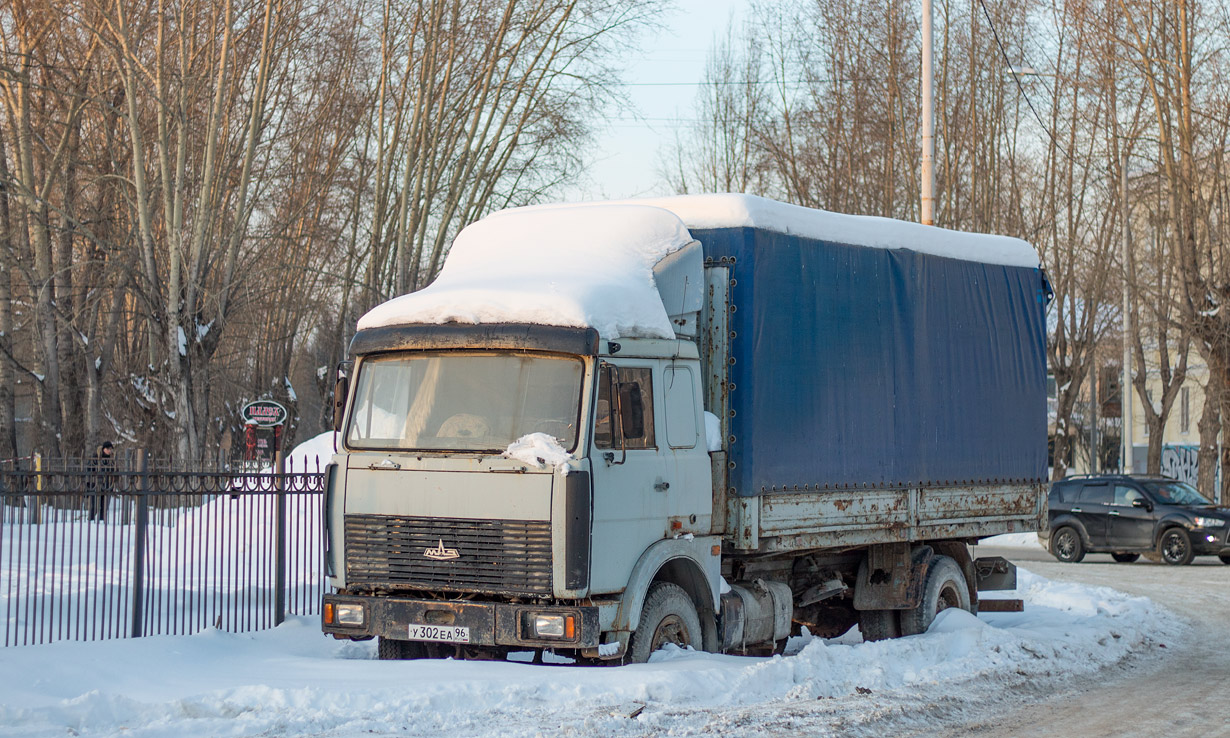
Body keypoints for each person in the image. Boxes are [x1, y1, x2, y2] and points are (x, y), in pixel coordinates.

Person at [86, 441, 115, 521]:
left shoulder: (112, 459)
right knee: (93, 507)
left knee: (104, 507)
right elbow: (89, 469)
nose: (110, 451)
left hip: (107, 485)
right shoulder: (96, 457)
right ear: (103, 449)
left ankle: (102, 522)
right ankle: (90, 521)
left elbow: (114, 471)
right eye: (108, 449)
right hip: (95, 484)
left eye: (111, 449)